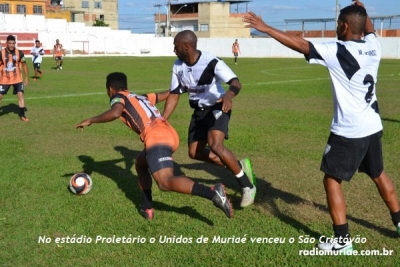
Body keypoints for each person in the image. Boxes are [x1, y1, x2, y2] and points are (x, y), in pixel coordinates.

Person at [243, 0, 400, 253]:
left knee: (331, 180)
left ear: (345, 27)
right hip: (372, 125)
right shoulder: (374, 45)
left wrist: (266, 27)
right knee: (378, 173)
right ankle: (399, 221)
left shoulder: (337, 50)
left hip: (350, 130)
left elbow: (301, 45)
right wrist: (363, 10)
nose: (336, 26)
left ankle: (342, 241)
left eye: (339, 23)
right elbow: (367, 26)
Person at [76, 72, 233, 220]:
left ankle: (212, 193)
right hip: (168, 132)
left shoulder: (117, 97)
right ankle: (147, 207)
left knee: (165, 182)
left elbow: (115, 113)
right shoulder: (140, 97)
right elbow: (166, 93)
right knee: (140, 164)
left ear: (110, 89)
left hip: (157, 137)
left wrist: (91, 120)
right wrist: (183, 87)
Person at [162, 30, 256, 208]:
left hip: (218, 106)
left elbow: (236, 82)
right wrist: (163, 119)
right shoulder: (177, 66)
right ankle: (239, 167)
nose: (174, 50)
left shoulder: (211, 61)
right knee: (194, 153)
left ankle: (247, 185)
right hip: (199, 112)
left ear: (187, 46)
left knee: (215, 145)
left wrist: (228, 96)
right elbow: (174, 94)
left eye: (176, 47)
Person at [0, 35, 29, 121]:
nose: (12, 45)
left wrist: (26, 77)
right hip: (4, 78)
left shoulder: (20, 53)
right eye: (10, 43)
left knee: (20, 94)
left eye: (13, 43)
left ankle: (22, 115)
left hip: (17, 78)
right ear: (6, 43)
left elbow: (24, 65)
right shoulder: (1, 53)